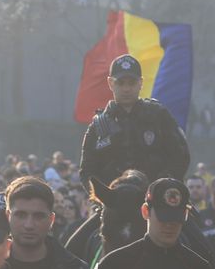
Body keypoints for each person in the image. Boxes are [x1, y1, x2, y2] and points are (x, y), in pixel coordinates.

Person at [79, 54, 190, 190]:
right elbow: (87, 172)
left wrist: (161, 187)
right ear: (110, 83)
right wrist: (104, 197)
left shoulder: (158, 116)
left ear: (141, 83)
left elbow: (180, 156)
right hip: (114, 203)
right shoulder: (99, 126)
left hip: (153, 199)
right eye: (121, 83)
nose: (126, 89)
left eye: (131, 82)